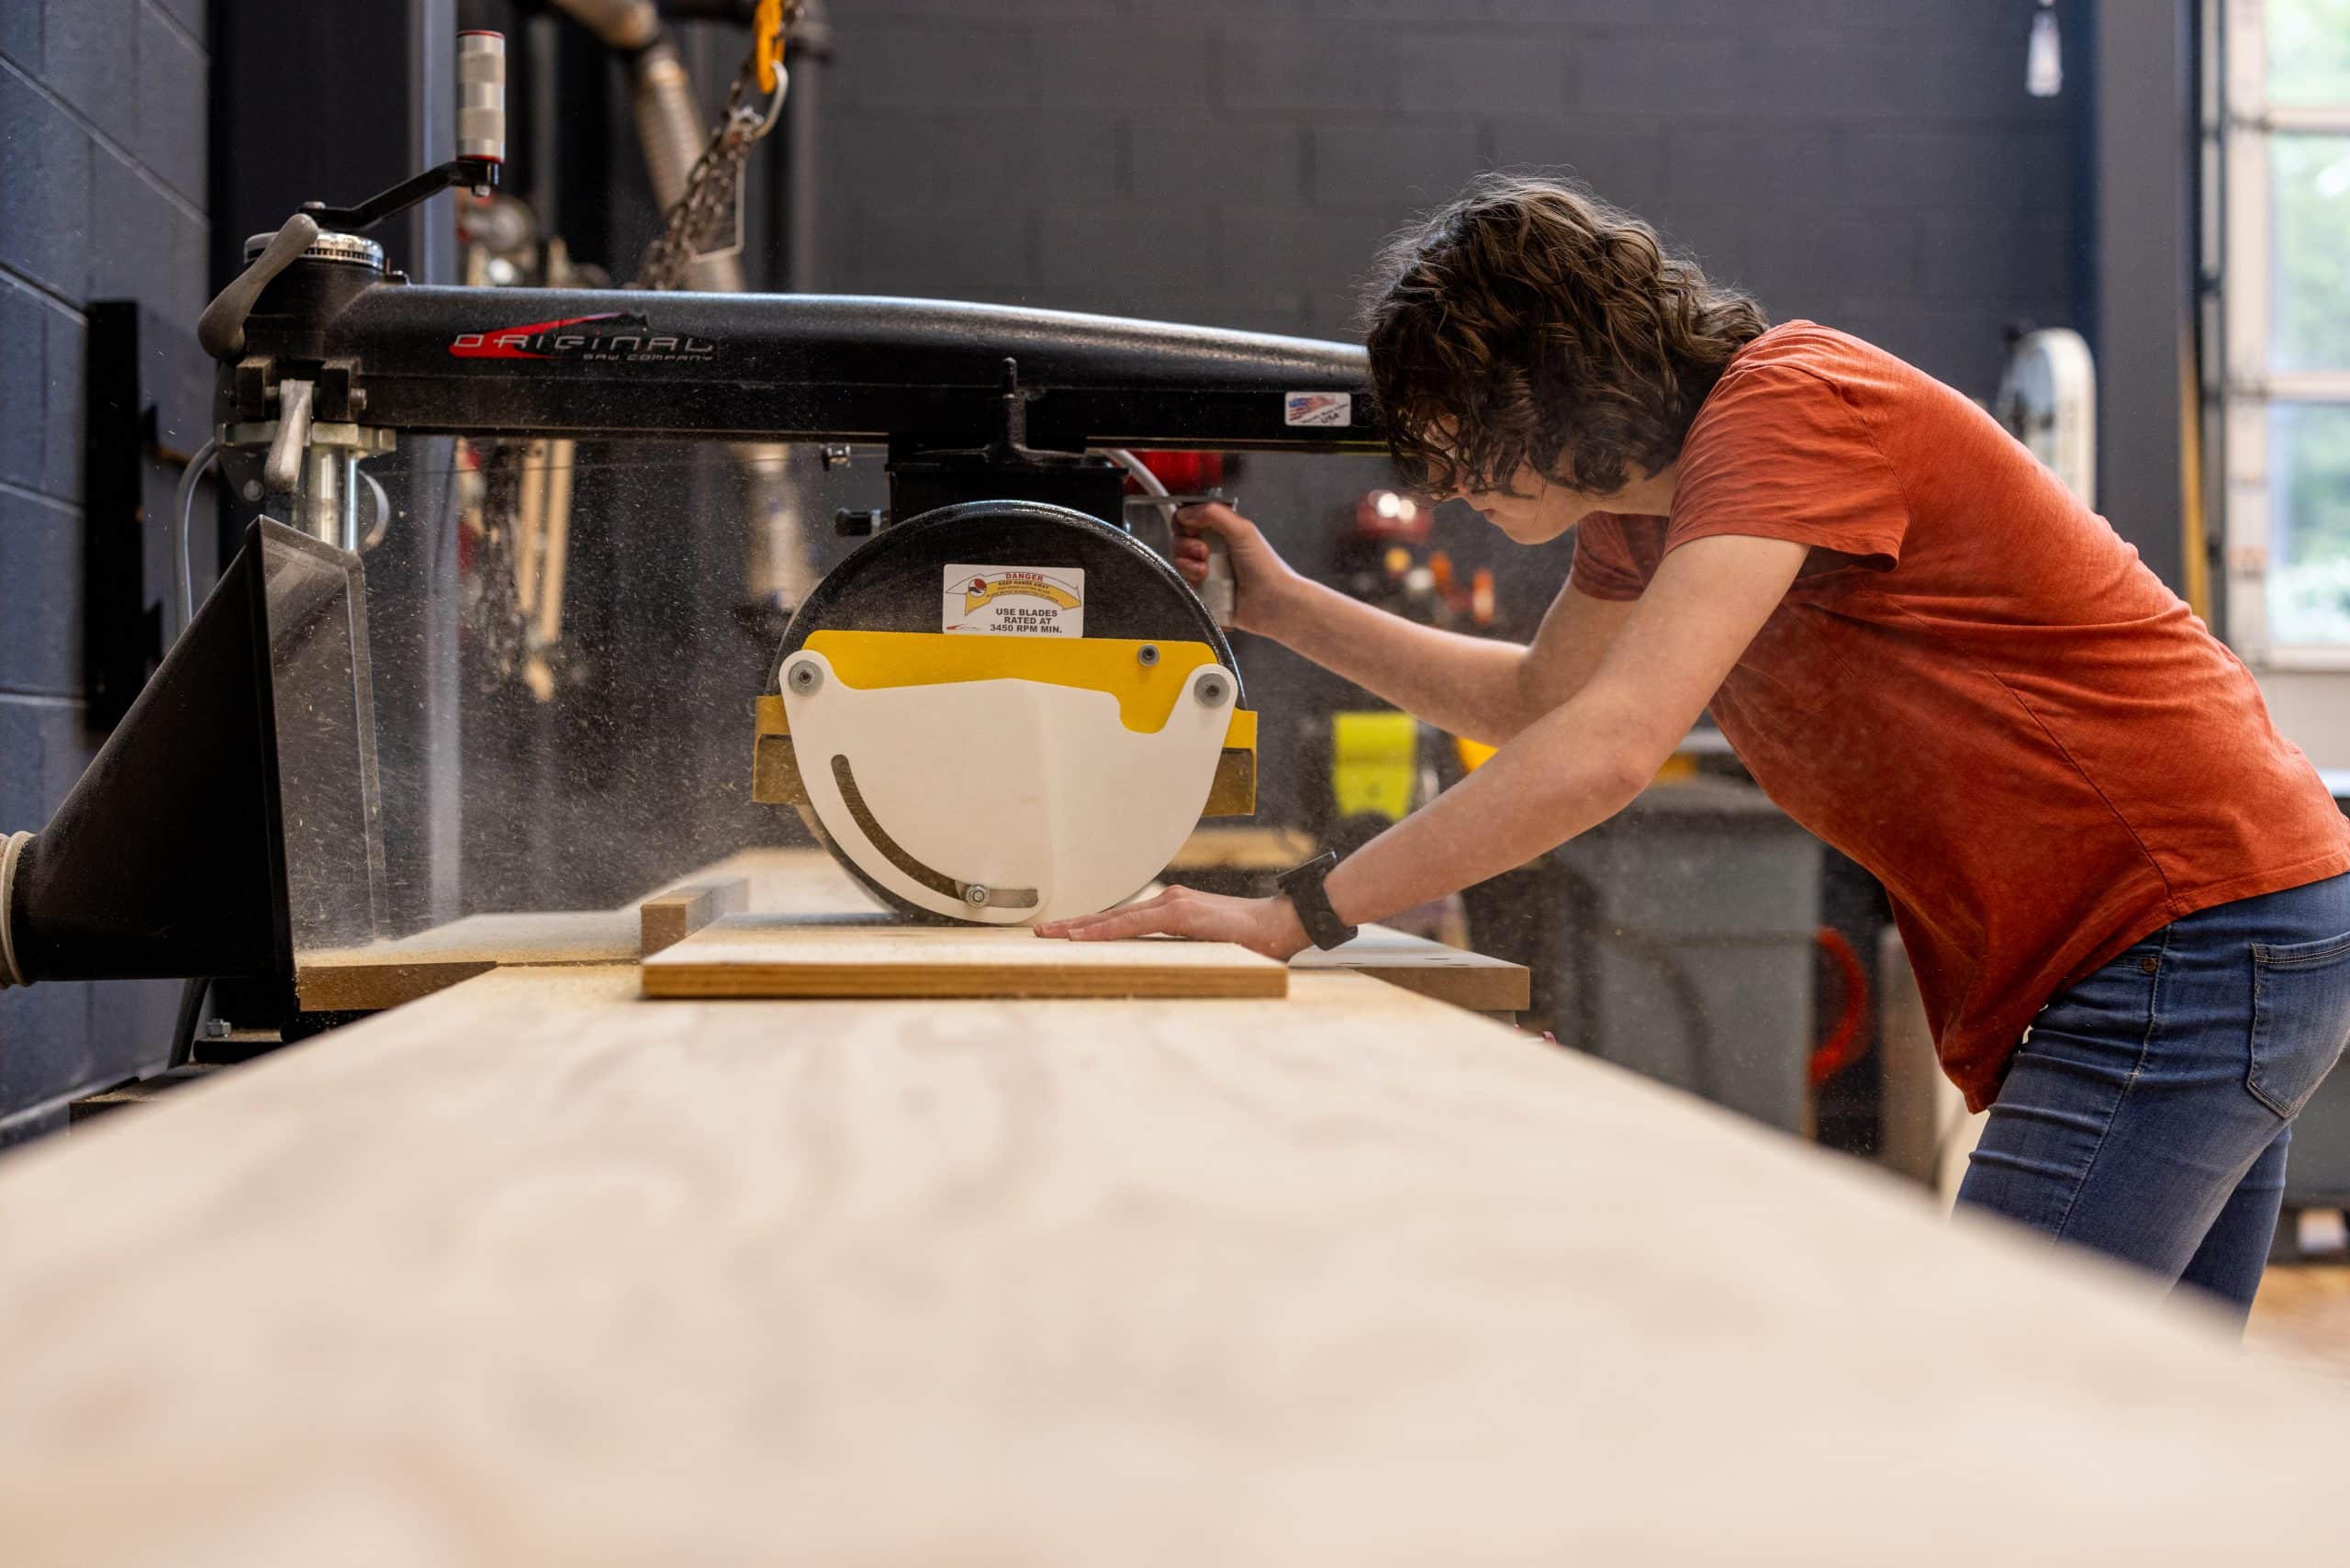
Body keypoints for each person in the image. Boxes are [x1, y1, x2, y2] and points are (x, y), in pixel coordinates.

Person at [1036, 174, 2350, 1320]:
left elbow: (1607, 753)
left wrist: (1293, 916)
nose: (1443, 484)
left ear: (1545, 380)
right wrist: (1281, 607)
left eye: (1457, 436)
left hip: (2188, 924)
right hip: (2209, 921)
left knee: (2014, 1385)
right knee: (2134, 1404)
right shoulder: (1644, 509)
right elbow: (1542, 707)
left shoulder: (1792, 409)